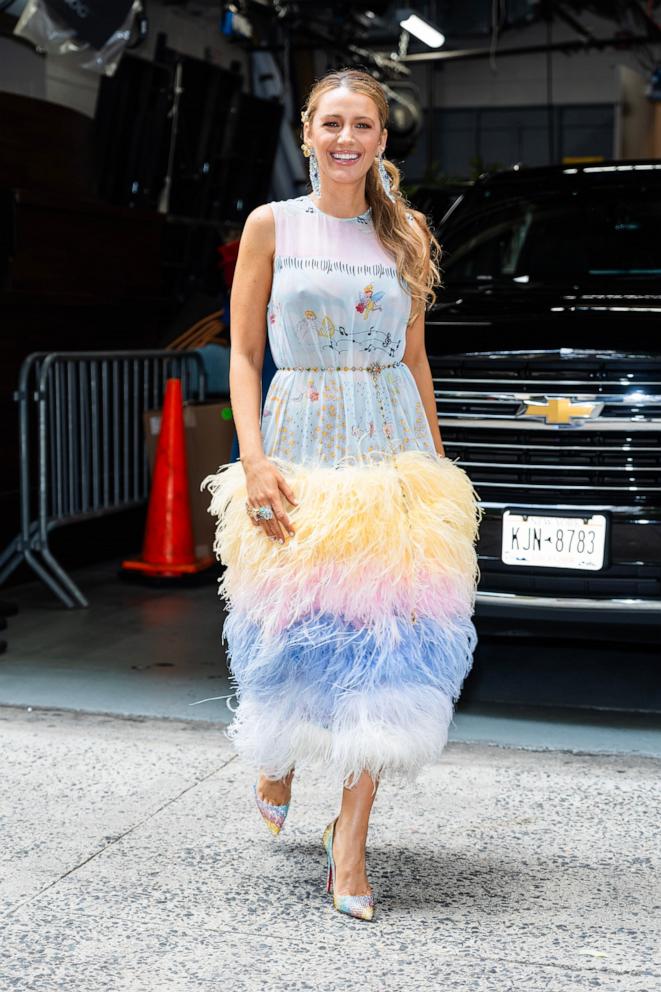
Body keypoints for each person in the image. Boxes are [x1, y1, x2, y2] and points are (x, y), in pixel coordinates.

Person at [204, 67, 483, 922]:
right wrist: (252, 460)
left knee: (389, 647)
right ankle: (277, 755)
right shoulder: (271, 226)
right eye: (331, 123)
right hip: (298, 445)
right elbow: (246, 353)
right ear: (307, 132)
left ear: (380, 140)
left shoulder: (404, 233)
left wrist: (435, 474)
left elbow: (414, 359)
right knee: (288, 621)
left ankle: (349, 843)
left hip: (388, 449)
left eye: (362, 124)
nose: (346, 138)